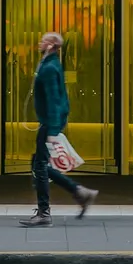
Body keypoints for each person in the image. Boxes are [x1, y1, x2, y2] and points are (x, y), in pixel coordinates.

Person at [19, 31, 99, 227]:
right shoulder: (48, 64)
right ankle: (79, 193)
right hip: (48, 122)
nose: (40, 42)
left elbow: (55, 100)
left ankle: (45, 212)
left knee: (39, 165)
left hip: (49, 123)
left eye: (44, 40)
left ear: (52, 45)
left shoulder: (50, 68)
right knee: (39, 163)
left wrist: (53, 130)